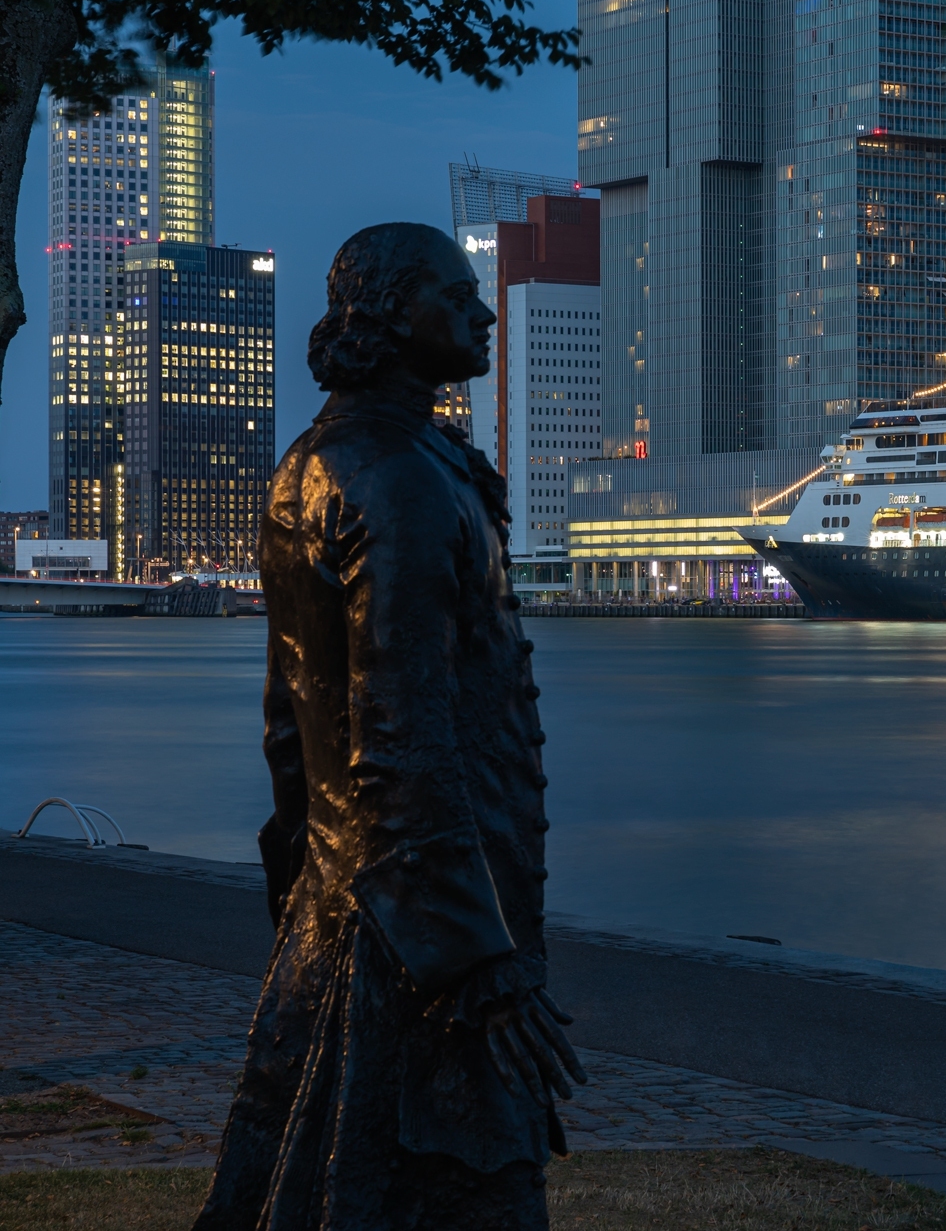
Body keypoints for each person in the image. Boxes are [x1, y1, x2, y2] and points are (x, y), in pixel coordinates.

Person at [195, 223, 585, 1231]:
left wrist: (308, 897)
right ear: (389, 313)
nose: (483, 313)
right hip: (425, 929)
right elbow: (401, 736)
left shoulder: (315, 463)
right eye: (457, 296)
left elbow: (291, 727)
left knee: (316, 1172)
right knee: (442, 1179)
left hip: (349, 899)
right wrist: (479, 959)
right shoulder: (402, 478)